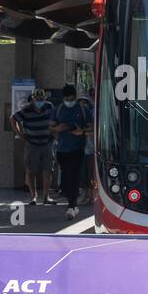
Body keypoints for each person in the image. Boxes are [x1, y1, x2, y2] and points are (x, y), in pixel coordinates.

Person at [51, 84, 92, 221]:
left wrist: (82, 131)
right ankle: (72, 204)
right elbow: (50, 127)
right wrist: (58, 128)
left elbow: (92, 126)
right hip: (61, 149)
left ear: (75, 96)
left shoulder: (83, 109)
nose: (70, 100)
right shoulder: (58, 110)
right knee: (66, 177)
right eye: (67, 98)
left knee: (73, 176)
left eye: (72, 97)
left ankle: (71, 205)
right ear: (63, 98)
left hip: (77, 149)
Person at [12, 88, 55, 205]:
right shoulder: (26, 110)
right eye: (37, 99)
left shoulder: (49, 106)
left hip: (46, 143)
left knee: (48, 170)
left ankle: (46, 196)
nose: (39, 101)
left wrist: (54, 133)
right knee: (31, 170)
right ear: (33, 99)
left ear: (45, 98)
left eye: (42, 99)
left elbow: (54, 120)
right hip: (32, 144)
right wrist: (20, 134)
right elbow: (13, 118)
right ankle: (33, 196)